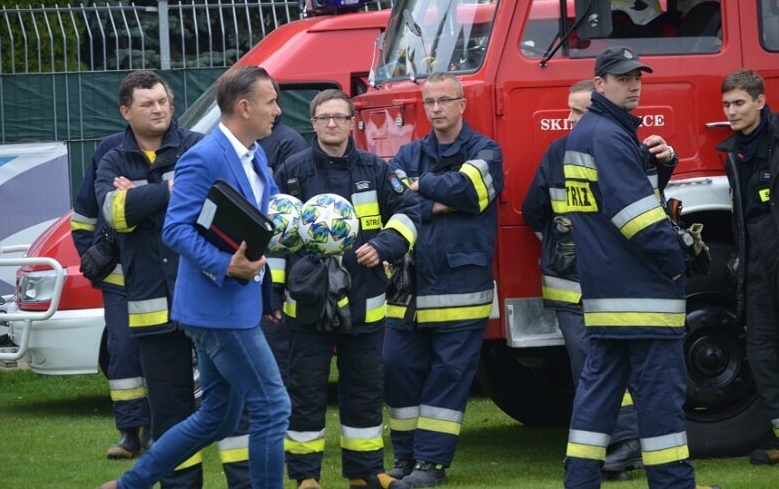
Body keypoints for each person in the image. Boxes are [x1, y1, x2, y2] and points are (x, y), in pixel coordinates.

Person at [100, 65, 291, 489]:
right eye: (271, 101)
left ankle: (128, 485)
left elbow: (268, 212)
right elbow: (176, 230)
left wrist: (309, 228)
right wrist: (226, 266)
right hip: (216, 309)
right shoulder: (202, 158)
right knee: (273, 406)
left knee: (216, 415)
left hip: (236, 304)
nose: (277, 110)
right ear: (244, 107)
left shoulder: (254, 151)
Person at [561, 46, 717, 489]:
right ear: (599, 84)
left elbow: (608, 203)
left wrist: (660, 166)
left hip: (606, 293)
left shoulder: (591, 132)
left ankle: (579, 481)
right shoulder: (610, 136)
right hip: (643, 294)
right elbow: (639, 220)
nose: (633, 84)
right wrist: (677, 259)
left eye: (637, 77)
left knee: (597, 397)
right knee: (659, 401)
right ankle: (673, 484)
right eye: (623, 78)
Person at [274, 89, 420, 489]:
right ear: (314, 123)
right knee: (305, 391)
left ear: (352, 121)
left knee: (365, 390)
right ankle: (305, 477)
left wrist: (384, 245)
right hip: (308, 302)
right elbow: (275, 235)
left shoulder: (377, 169)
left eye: (339, 117)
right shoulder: (291, 170)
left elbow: (410, 212)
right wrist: (272, 289)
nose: (332, 124)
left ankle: (365, 472)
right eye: (324, 118)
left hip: (364, 302)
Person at [383, 72, 504, 487]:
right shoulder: (407, 153)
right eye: (429, 102)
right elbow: (395, 198)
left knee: (448, 375)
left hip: (460, 287)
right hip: (410, 288)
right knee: (397, 366)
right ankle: (404, 457)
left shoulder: (486, 150)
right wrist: (441, 200)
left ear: (462, 104)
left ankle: (430, 464)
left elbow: (472, 191)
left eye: (444, 101)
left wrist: (424, 187)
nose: (436, 109)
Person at [522, 79, 643, 481]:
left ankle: (623, 443)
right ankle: (616, 446)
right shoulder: (559, 152)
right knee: (590, 365)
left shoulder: (615, 148)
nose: (570, 119)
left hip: (606, 284)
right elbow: (533, 211)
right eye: (570, 111)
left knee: (601, 365)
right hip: (572, 284)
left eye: (580, 111)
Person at [71, 134, 151, 460]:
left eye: (161, 102)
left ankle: (160, 431)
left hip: (166, 274)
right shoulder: (110, 150)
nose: (156, 110)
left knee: (166, 351)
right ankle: (130, 434)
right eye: (146, 104)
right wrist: (92, 254)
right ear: (126, 110)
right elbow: (84, 215)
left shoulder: (183, 147)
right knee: (123, 351)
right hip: (120, 278)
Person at [716, 69, 779, 466]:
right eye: (726, 105)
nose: (731, 111)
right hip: (757, 264)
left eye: (739, 103)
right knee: (760, 349)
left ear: (760, 100)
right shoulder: (734, 153)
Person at [261, 78, 309, 385]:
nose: (276, 108)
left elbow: (288, 228)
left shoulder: (287, 143)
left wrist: (275, 294)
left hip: (276, 266)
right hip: (249, 262)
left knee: (277, 350)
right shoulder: (246, 144)